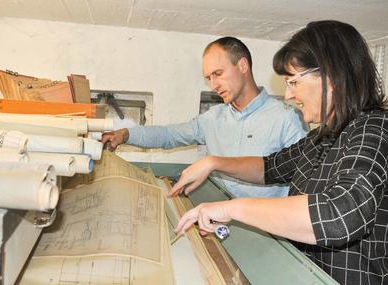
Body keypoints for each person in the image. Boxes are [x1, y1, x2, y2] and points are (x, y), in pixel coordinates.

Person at [172, 20, 388, 285]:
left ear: (331, 76)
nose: (287, 95)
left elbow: (340, 214)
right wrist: (213, 162)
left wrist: (233, 209)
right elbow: (269, 167)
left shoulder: (373, 129)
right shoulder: (323, 136)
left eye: (293, 82)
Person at [102, 37, 307, 198]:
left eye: (218, 73)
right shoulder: (213, 118)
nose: (213, 85)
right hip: (220, 217)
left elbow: (304, 184)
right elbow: (169, 135)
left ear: (243, 65)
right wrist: (125, 134)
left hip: (268, 234)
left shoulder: (286, 119)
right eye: (209, 77)